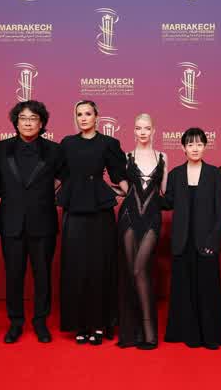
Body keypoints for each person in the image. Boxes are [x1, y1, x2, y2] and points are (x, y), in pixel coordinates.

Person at [58, 100, 128, 345]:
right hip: (74, 210)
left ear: (97, 116)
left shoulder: (109, 143)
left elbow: (119, 174)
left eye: (88, 113)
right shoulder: (67, 143)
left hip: (100, 213)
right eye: (79, 114)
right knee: (76, 267)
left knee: (100, 266)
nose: (83, 118)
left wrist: (133, 196)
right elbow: (59, 175)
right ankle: (80, 324)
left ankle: (99, 323)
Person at [0, 100, 63, 344]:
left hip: (43, 222)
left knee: (42, 276)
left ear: (41, 123)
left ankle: (40, 321)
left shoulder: (54, 150)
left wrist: (45, 195)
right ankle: (15, 322)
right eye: (23, 118)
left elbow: (65, 178)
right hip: (11, 221)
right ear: (16, 122)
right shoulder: (1, 148)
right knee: (13, 275)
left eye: (33, 118)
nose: (27, 122)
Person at [164, 127, 221, 350]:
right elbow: (167, 202)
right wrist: (144, 188)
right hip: (182, 242)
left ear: (205, 147)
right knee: (183, 290)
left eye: (199, 144)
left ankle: (209, 336)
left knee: (207, 290)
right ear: (183, 148)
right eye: (190, 144)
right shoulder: (175, 174)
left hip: (206, 243)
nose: (195, 148)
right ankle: (185, 333)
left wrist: (214, 242)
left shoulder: (214, 174)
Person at [117, 113, 168, 350]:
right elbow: (124, 188)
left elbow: (163, 192)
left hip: (152, 218)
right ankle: (133, 332)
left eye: (147, 128)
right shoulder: (127, 157)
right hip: (128, 217)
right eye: (138, 128)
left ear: (154, 130)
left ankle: (149, 331)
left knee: (140, 269)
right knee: (131, 272)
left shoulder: (163, 157)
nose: (143, 132)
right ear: (134, 131)